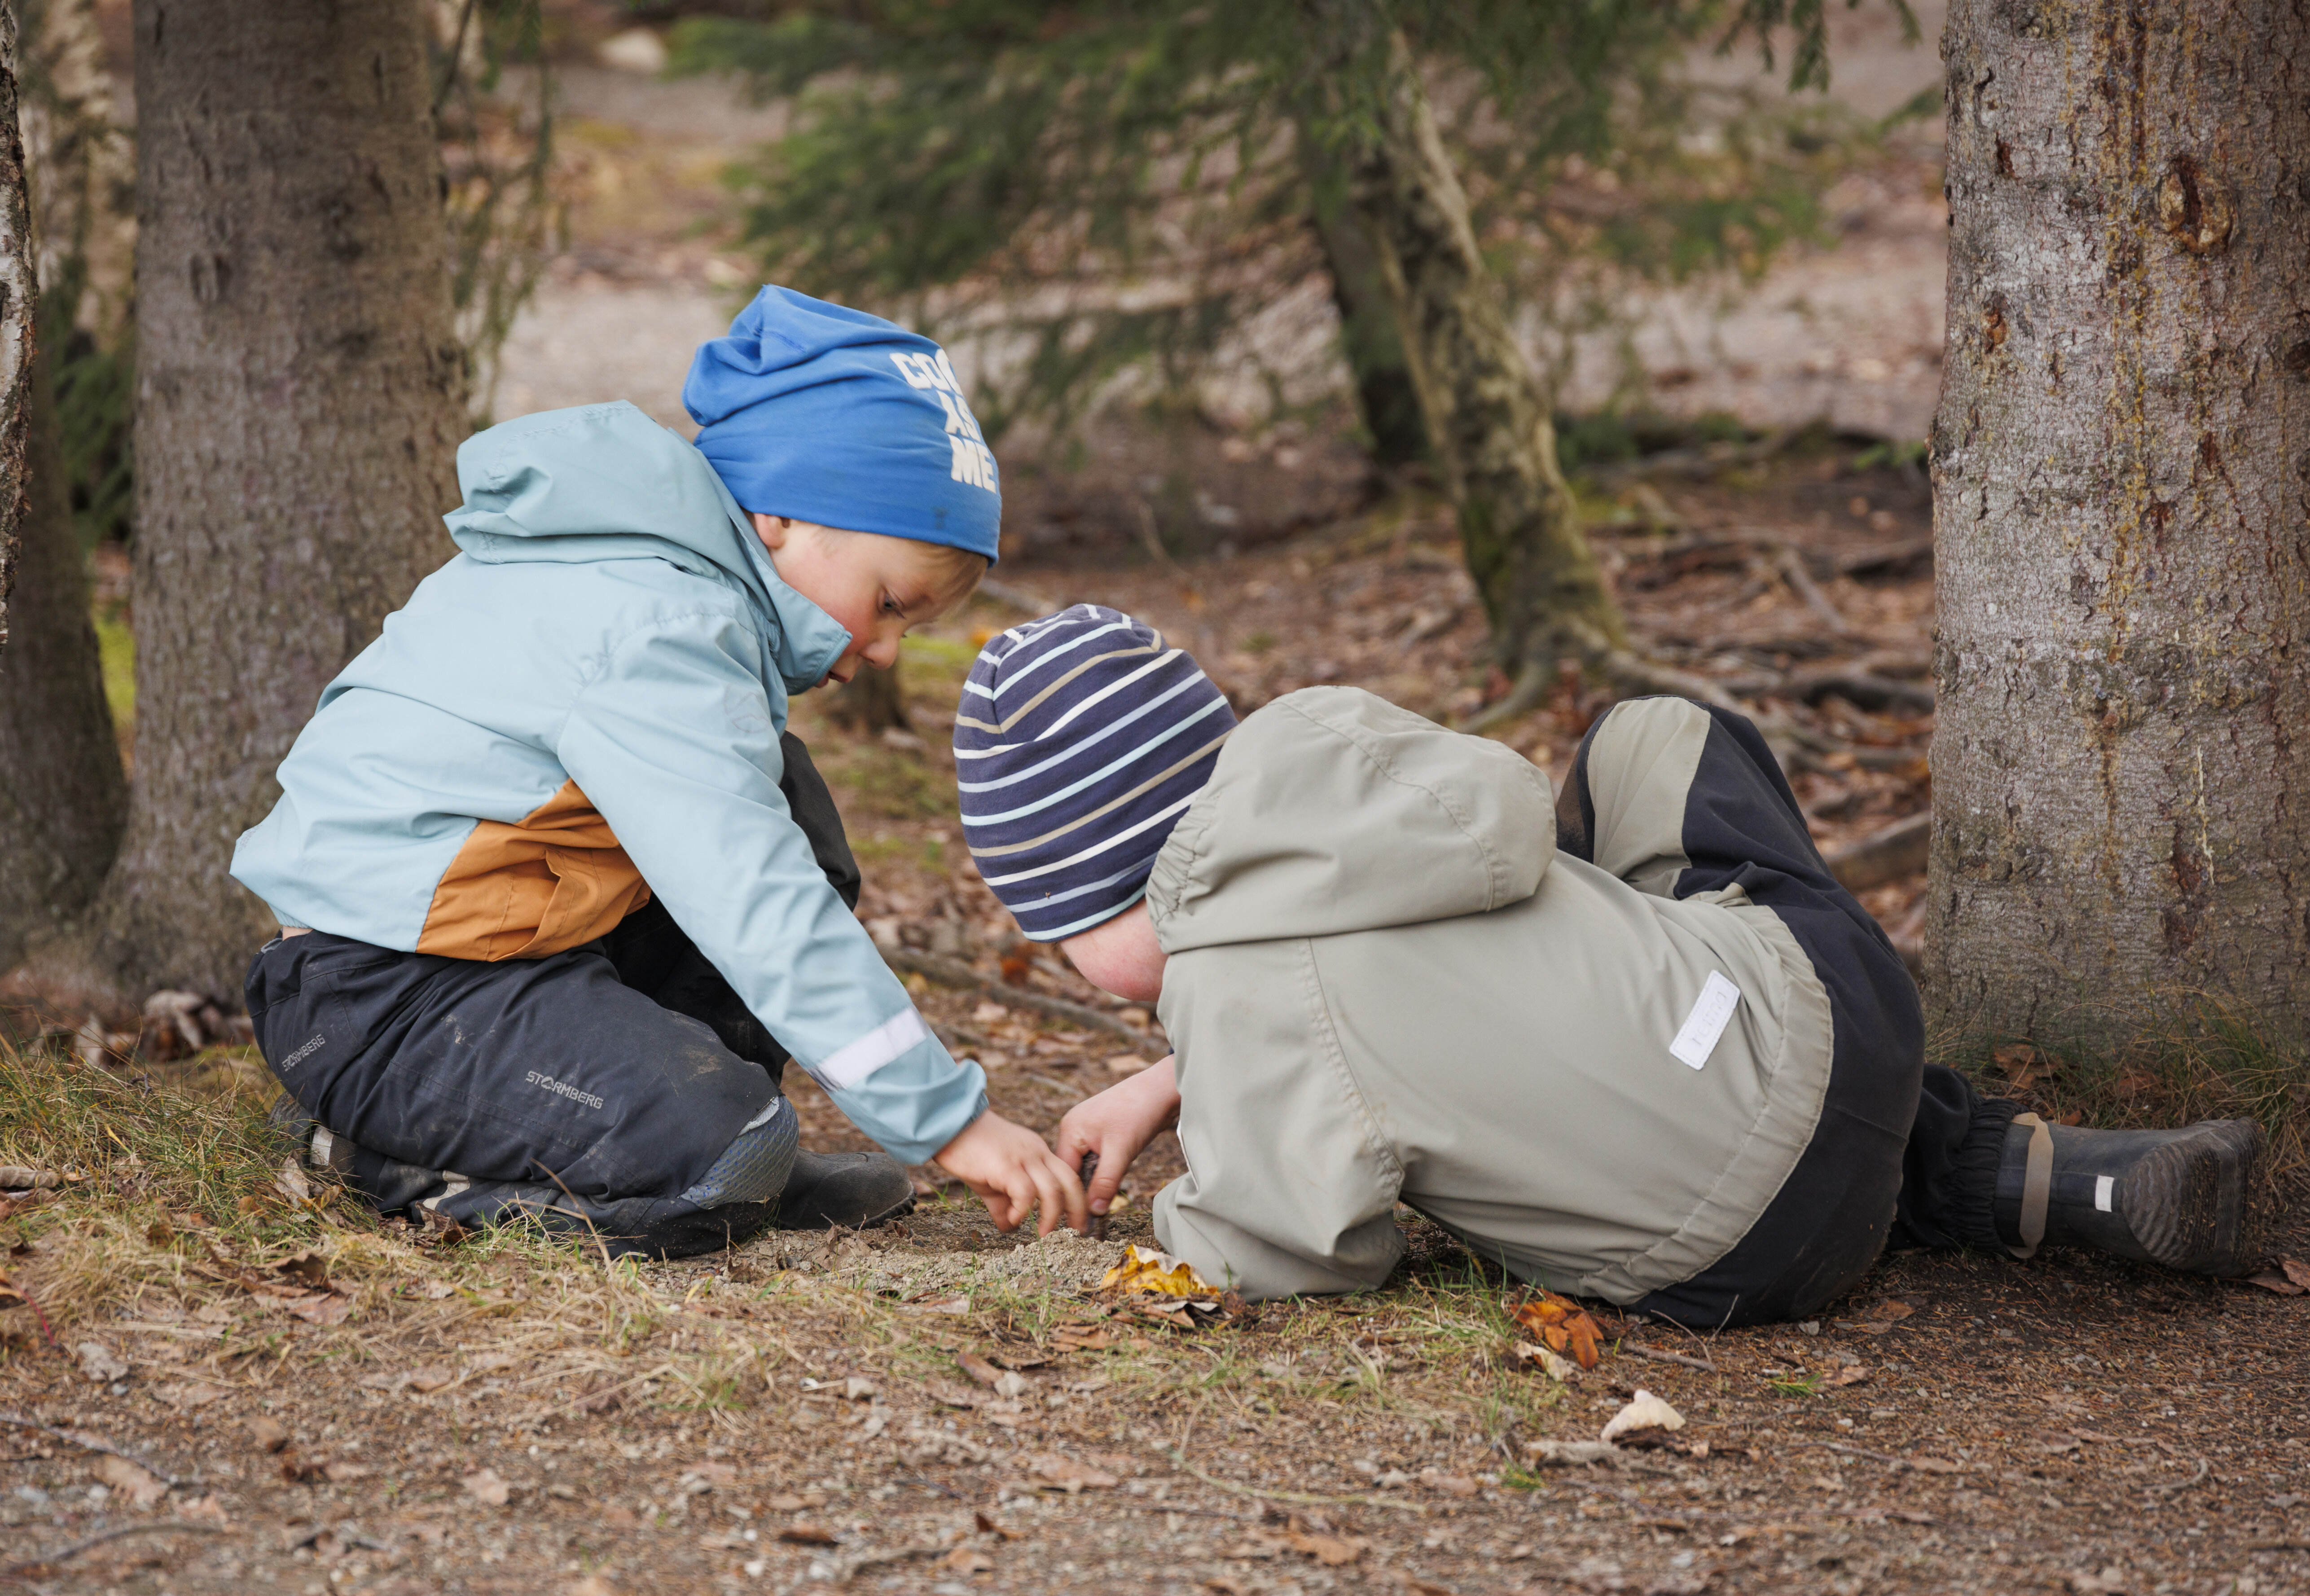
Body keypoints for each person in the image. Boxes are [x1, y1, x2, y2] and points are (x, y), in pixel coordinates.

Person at [959, 606, 2267, 1324]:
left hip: (1745, 1257)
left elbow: (1288, 1242)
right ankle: (2062, 1181)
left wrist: (1145, 1245)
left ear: (1099, 879)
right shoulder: (1343, 765)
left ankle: (2023, 1180)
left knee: (1692, 1129)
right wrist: (1168, 1080)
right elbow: (1346, 979)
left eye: (1058, 926)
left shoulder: (1238, 994)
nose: (1064, 960)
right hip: (1836, 1022)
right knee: (1655, 734)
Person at [231, 287, 1087, 1258]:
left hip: (501, 961)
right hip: (382, 1000)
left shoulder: (666, 587)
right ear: (783, 516)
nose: (887, 650)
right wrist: (947, 1120)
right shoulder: (657, 624)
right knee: (720, 1147)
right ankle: (387, 1152)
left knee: (787, 799)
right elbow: (751, 895)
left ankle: (693, 1128)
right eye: (890, 602)